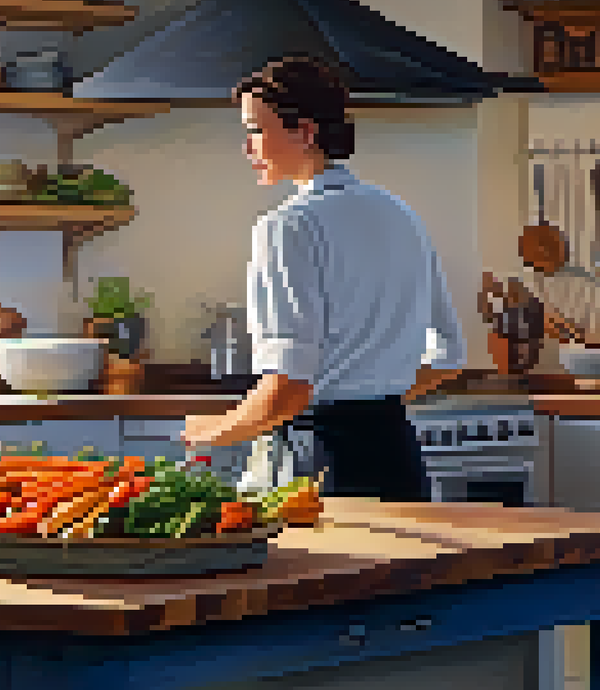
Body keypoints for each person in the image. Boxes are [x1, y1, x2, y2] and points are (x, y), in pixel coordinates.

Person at [180, 54, 467, 502]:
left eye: (256, 130)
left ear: (305, 131)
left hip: (320, 467)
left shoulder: (287, 226)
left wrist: (213, 431)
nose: (247, 147)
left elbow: (289, 391)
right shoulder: (400, 214)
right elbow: (450, 355)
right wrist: (370, 390)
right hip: (396, 456)